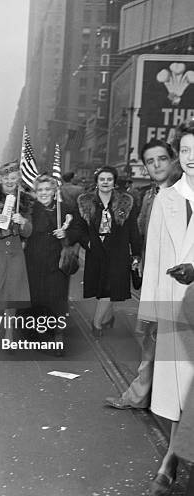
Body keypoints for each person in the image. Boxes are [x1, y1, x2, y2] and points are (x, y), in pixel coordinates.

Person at [138, 120, 194, 495]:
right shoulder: (166, 199)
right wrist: (151, 314)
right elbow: (155, 259)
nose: (192, 158)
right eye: (187, 150)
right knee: (180, 389)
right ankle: (171, 460)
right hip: (177, 307)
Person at [105, 138, 179, 410]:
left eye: (161, 158)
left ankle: (153, 400)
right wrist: (139, 259)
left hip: (176, 282)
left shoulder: (182, 194)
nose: (156, 165)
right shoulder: (151, 195)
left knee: (166, 343)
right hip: (155, 276)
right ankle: (140, 396)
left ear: (172, 160)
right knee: (152, 340)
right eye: (150, 161)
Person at [70, 166, 142, 337]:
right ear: (97, 182)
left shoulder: (125, 202)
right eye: (102, 179)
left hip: (118, 251)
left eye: (109, 179)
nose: (105, 182)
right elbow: (78, 228)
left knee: (111, 287)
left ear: (114, 182)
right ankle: (108, 318)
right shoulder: (85, 202)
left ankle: (96, 324)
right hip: (96, 251)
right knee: (103, 289)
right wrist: (88, 243)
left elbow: (133, 230)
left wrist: (136, 254)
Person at [0, 161, 33, 346]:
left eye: (13, 178)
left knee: (13, 292)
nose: (10, 181)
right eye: (6, 178)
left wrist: (23, 221)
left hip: (16, 250)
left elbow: (28, 232)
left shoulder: (25, 200)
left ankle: (9, 333)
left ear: (18, 180)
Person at [24, 175, 74, 355]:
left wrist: (66, 234)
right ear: (35, 192)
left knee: (56, 299)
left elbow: (78, 231)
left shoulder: (64, 209)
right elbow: (24, 232)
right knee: (37, 298)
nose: (44, 193)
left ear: (54, 191)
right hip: (33, 261)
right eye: (40, 190)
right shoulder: (29, 210)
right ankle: (38, 332)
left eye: (47, 189)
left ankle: (58, 335)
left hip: (57, 262)